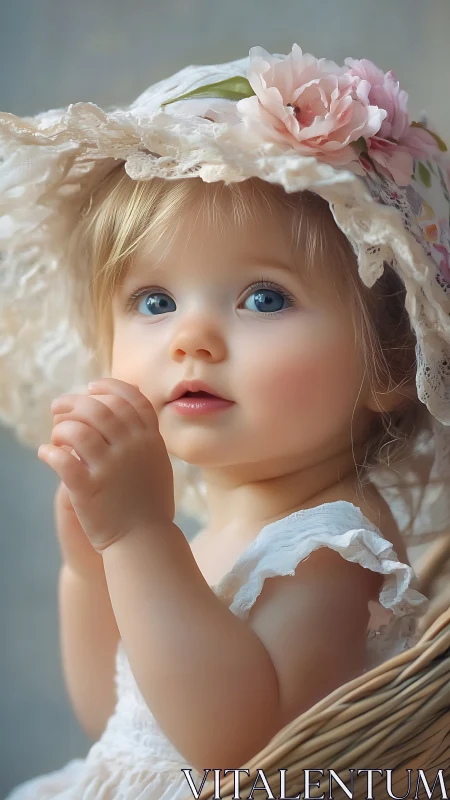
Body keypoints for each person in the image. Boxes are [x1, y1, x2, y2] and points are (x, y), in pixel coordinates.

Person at [1, 43, 449, 799]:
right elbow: (114, 717)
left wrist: (138, 539)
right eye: (154, 302)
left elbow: (235, 749)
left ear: (389, 366)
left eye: (263, 298)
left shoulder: (331, 548)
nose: (191, 339)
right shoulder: (216, 528)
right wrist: (92, 567)